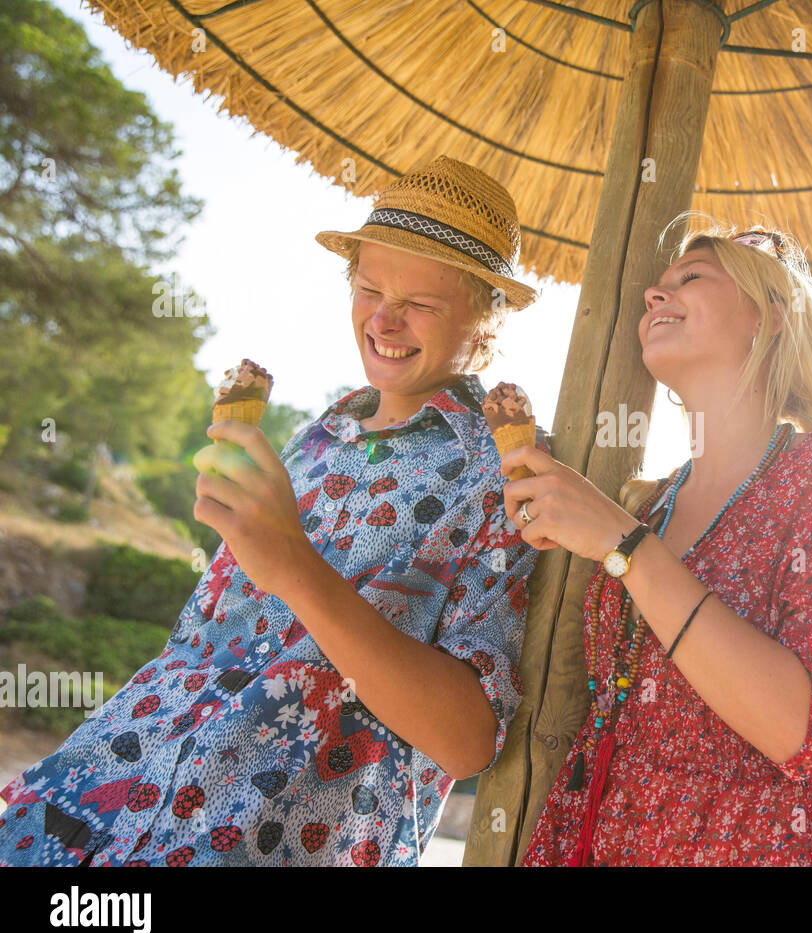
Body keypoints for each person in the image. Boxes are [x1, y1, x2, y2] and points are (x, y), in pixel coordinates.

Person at [0, 156, 545, 866]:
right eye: (369, 287)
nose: (383, 317)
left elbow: (466, 739)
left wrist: (292, 563)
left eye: (421, 303)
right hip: (95, 795)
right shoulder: (312, 439)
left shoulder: (504, 477)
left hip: (258, 836)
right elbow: (202, 642)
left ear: (487, 319)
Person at [507, 215, 812, 866]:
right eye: (655, 288)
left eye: (690, 278)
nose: (654, 295)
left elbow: (794, 729)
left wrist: (624, 544)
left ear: (771, 315)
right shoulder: (650, 501)